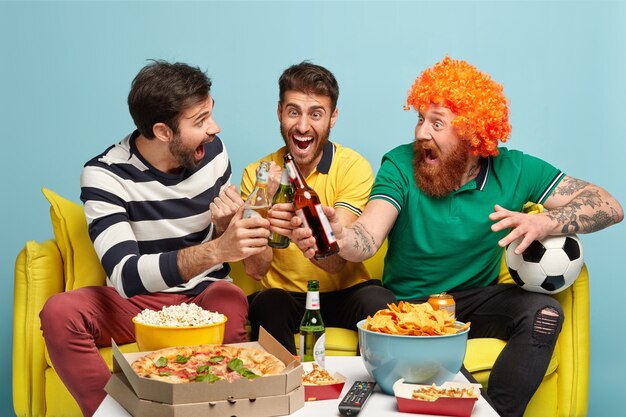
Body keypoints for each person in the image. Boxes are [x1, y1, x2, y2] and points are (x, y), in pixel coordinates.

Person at [289, 57, 623, 417]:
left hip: (471, 302)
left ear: (472, 133)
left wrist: (547, 223)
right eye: (420, 119)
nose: (420, 133)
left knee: (545, 312)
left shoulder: (516, 169)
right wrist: (339, 236)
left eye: (436, 123)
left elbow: (609, 204)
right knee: (383, 307)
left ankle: (498, 412)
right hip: (407, 308)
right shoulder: (401, 164)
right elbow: (368, 235)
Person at [39, 60, 271, 417]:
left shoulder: (212, 151)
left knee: (230, 298)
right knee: (59, 312)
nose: (214, 128)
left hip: (202, 295)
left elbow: (230, 251)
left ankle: (222, 410)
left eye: (211, 113)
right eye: (200, 121)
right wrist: (216, 249)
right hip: (134, 303)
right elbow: (126, 276)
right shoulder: (104, 175)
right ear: (163, 132)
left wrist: (226, 227)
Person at [238, 61, 396, 354]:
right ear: (279, 112)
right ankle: (283, 392)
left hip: (345, 294)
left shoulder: (352, 167)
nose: (302, 126)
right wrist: (266, 203)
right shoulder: (257, 174)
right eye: (293, 112)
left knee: (378, 301)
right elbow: (256, 269)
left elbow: (336, 262)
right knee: (266, 303)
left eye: (316, 114)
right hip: (286, 298)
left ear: (332, 118)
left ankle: (373, 393)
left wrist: (300, 229)